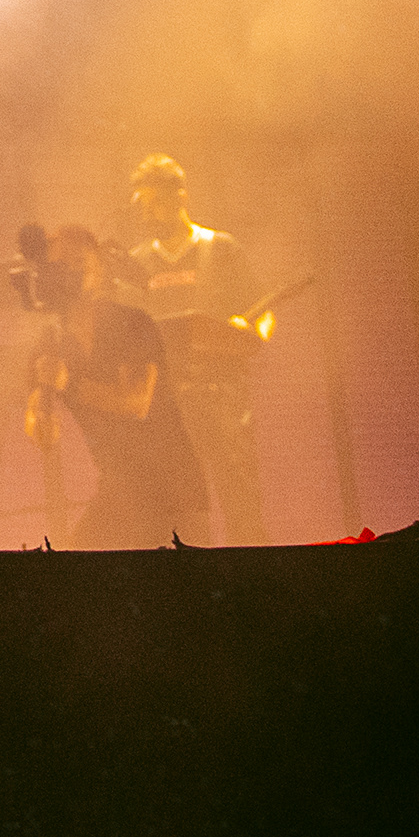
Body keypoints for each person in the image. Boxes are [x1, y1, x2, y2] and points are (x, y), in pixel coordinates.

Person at [17, 222, 212, 548]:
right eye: (59, 265)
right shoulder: (49, 343)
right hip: (121, 489)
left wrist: (68, 383)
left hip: (174, 491)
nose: (68, 272)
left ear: (97, 271)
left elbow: (136, 402)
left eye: (77, 262)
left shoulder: (131, 323)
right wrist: (41, 416)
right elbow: (43, 431)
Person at [122, 154, 269, 544]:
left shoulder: (221, 248)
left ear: (180, 196)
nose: (148, 213)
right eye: (142, 205)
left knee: (241, 502)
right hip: (168, 406)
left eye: (155, 202)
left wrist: (250, 333)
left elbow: (264, 312)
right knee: (183, 512)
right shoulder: (137, 264)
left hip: (223, 401)